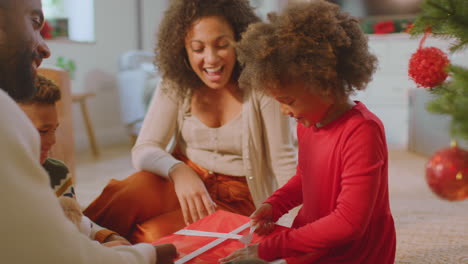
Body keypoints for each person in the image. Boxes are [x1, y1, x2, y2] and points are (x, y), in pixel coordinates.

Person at [84, 0, 297, 243]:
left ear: (240, 40)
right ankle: (72, 244)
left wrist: (296, 226)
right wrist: (178, 170)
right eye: (198, 49)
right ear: (183, 49)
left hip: (238, 198)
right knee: (124, 196)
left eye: (222, 45)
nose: (211, 59)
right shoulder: (177, 82)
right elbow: (144, 148)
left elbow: (283, 159)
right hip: (184, 178)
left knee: (152, 234)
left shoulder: (260, 85)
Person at [0, 0, 176, 263]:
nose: (45, 47)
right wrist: (147, 254)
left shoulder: (56, 172)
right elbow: (57, 254)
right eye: (34, 22)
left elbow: (68, 220)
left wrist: (104, 235)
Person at [221, 1, 396, 263]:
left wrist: (271, 250)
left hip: (356, 253)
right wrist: (275, 204)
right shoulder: (309, 123)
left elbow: (349, 222)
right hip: (315, 241)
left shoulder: (362, 131)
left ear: (324, 83)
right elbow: (306, 179)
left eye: (288, 100)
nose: (283, 111)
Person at [17, 74, 131, 246]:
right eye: (42, 131)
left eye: (54, 129)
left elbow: (76, 221)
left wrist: (106, 236)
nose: (52, 141)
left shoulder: (57, 173)